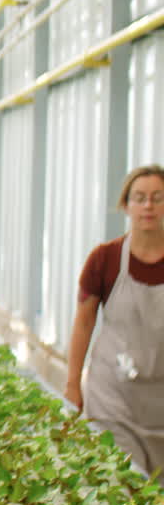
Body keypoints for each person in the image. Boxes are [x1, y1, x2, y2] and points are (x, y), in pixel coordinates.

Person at [67, 164, 164, 483]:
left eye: (157, 197)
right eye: (139, 198)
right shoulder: (104, 259)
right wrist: (72, 384)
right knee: (120, 483)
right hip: (113, 394)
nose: (148, 206)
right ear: (126, 205)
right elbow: (83, 324)